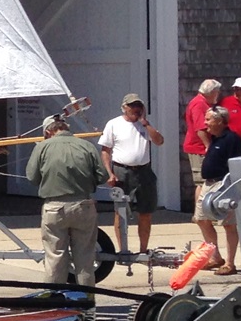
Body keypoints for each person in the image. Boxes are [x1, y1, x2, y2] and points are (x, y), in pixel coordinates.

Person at [26, 115, 108, 287]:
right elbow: (103, 176)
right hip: (83, 206)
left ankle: (55, 301)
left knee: (55, 257)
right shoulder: (86, 145)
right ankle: (87, 303)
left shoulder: (42, 147)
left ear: (48, 132)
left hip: (54, 207)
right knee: (85, 258)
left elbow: (32, 177)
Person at [99, 94, 164, 253]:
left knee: (146, 212)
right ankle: (123, 250)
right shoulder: (114, 124)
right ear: (124, 107)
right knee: (121, 212)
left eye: (138, 106)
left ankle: (143, 250)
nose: (136, 109)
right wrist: (110, 173)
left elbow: (159, 141)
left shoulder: (145, 126)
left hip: (143, 171)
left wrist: (145, 123)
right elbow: (106, 150)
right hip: (122, 171)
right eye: (132, 106)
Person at [194, 106, 241, 275]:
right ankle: (216, 257)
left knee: (228, 224)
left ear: (220, 121)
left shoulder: (232, 139)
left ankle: (230, 263)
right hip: (207, 184)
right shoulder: (214, 138)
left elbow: (235, 165)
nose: (205, 123)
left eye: (208, 119)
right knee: (201, 219)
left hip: (223, 185)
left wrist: (230, 188)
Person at [183, 79, 222, 205]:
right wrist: (208, 146)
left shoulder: (204, 103)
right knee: (202, 182)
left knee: (209, 180)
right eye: (217, 92)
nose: (218, 94)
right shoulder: (199, 104)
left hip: (203, 147)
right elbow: (200, 128)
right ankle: (200, 214)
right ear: (212, 92)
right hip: (199, 148)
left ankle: (206, 212)